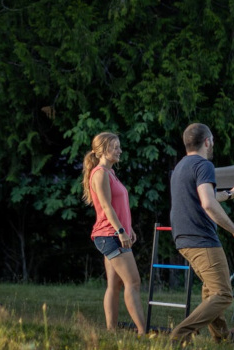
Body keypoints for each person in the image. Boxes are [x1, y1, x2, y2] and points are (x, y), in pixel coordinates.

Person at [169, 123, 234, 345]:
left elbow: (206, 196)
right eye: (212, 140)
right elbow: (207, 203)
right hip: (201, 239)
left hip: (183, 238)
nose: (213, 144)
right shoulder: (204, 165)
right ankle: (179, 335)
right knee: (223, 294)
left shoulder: (181, 167)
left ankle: (223, 337)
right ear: (207, 141)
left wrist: (231, 194)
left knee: (210, 291)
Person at [82, 132, 146, 335]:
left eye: (119, 146)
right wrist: (120, 231)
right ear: (102, 150)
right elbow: (107, 207)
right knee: (133, 282)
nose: (120, 150)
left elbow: (118, 207)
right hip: (109, 235)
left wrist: (129, 229)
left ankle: (111, 331)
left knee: (115, 284)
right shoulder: (100, 173)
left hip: (113, 233)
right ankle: (144, 332)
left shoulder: (110, 173)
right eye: (115, 147)